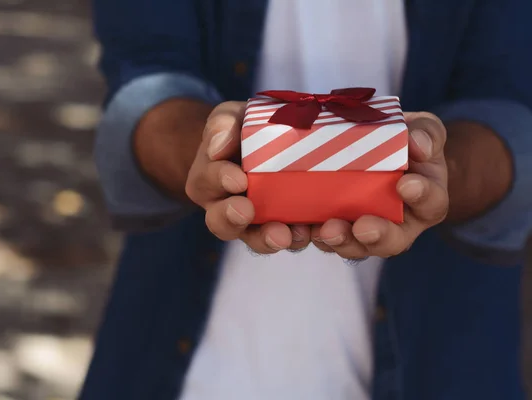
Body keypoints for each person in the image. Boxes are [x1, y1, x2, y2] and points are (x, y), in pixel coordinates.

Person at [81, 1, 532, 399]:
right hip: (183, 364)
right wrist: (211, 153)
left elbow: (511, 108)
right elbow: (142, 76)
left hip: (445, 363)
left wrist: (439, 169)